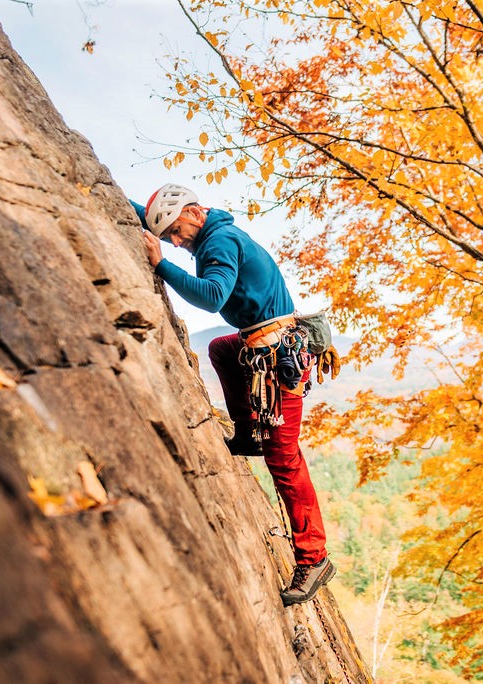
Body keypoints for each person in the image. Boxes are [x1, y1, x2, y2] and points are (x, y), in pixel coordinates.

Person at [131, 183, 334, 606]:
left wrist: (161, 263)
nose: (175, 241)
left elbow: (211, 297)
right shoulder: (214, 233)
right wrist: (126, 203)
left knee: (284, 457)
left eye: (177, 232)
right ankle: (247, 434)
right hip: (263, 342)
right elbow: (163, 222)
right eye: (168, 236)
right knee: (221, 349)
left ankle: (314, 558)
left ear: (195, 212)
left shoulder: (218, 241)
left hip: (280, 358)